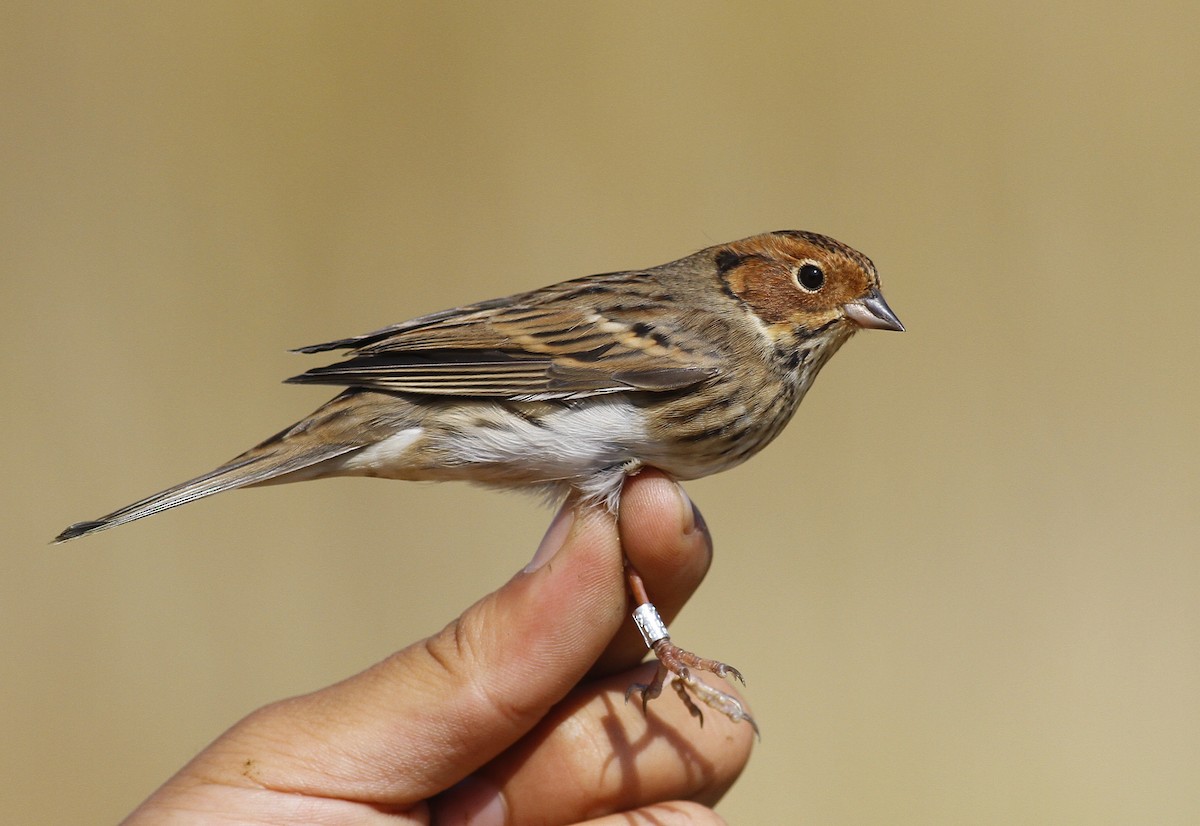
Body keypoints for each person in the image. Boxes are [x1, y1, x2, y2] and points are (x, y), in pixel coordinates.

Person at [122, 471, 755, 824]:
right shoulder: (710, 341)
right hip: (464, 390)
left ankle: (660, 642)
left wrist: (660, 643)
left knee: (625, 545)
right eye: (810, 280)